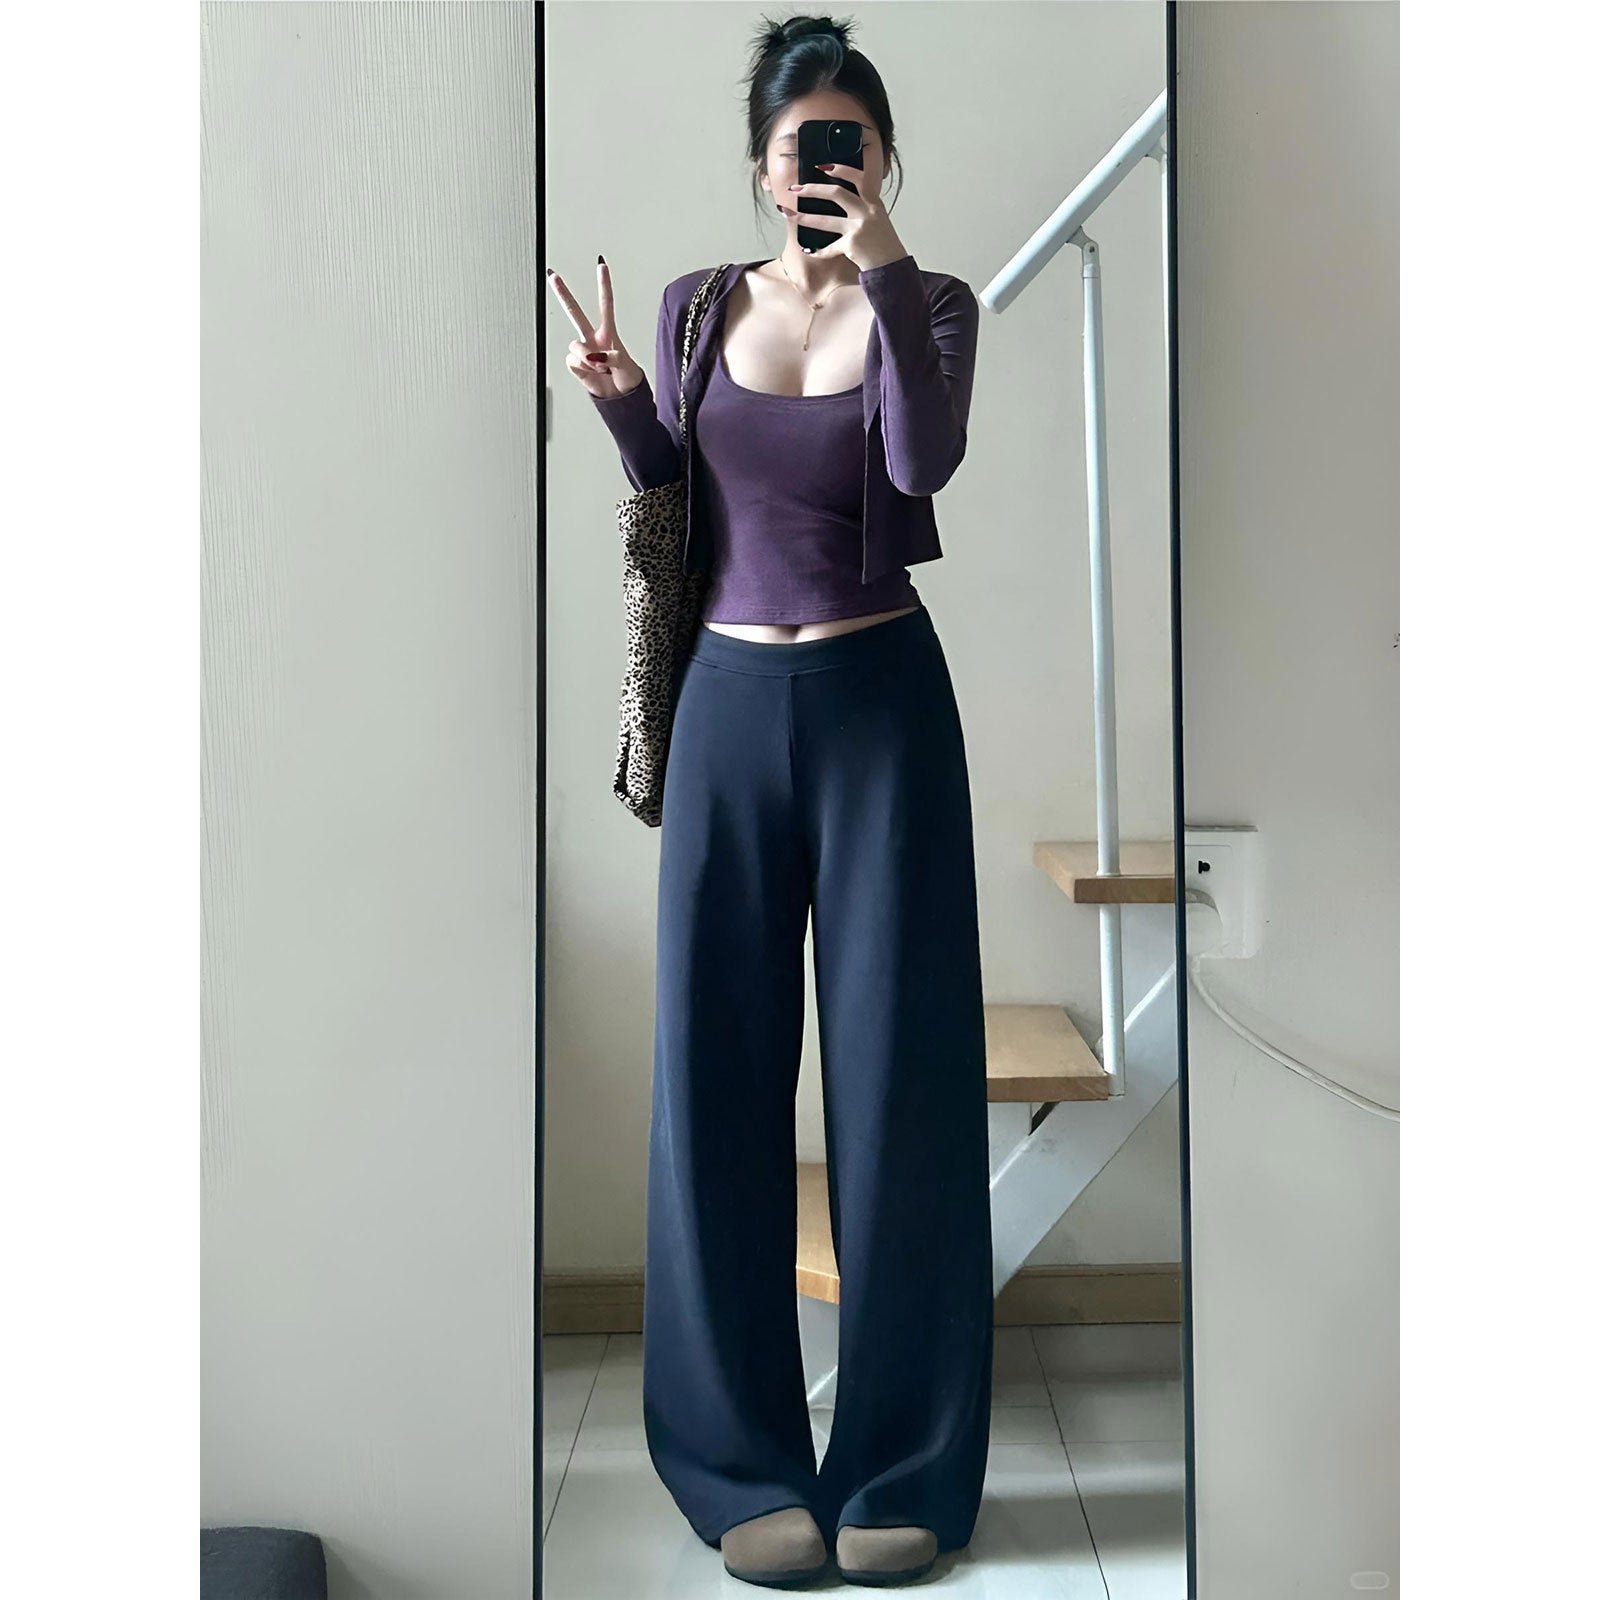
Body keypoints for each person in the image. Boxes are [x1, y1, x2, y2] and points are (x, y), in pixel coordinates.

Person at [549, 14, 990, 1589]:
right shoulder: (693, 308)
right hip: (730, 711)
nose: (824, 170)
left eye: (850, 147)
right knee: (715, 1083)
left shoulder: (932, 303)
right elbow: (678, 492)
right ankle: (738, 1464)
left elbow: (922, 463)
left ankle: (903, 1466)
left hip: (882, 713)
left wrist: (884, 265)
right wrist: (621, 399)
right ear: (758, 166)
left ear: (883, 161)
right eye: (802, 147)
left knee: (900, 1088)